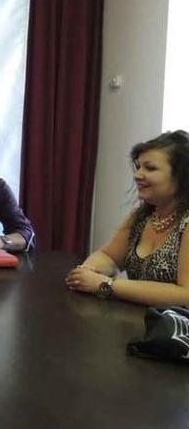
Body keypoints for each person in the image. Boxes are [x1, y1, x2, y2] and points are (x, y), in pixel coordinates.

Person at [66, 130, 189, 305]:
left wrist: (106, 284)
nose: (138, 175)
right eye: (138, 167)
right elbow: (109, 257)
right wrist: (87, 271)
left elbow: (186, 295)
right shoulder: (143, 216)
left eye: (150, 168)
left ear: (181, 177)